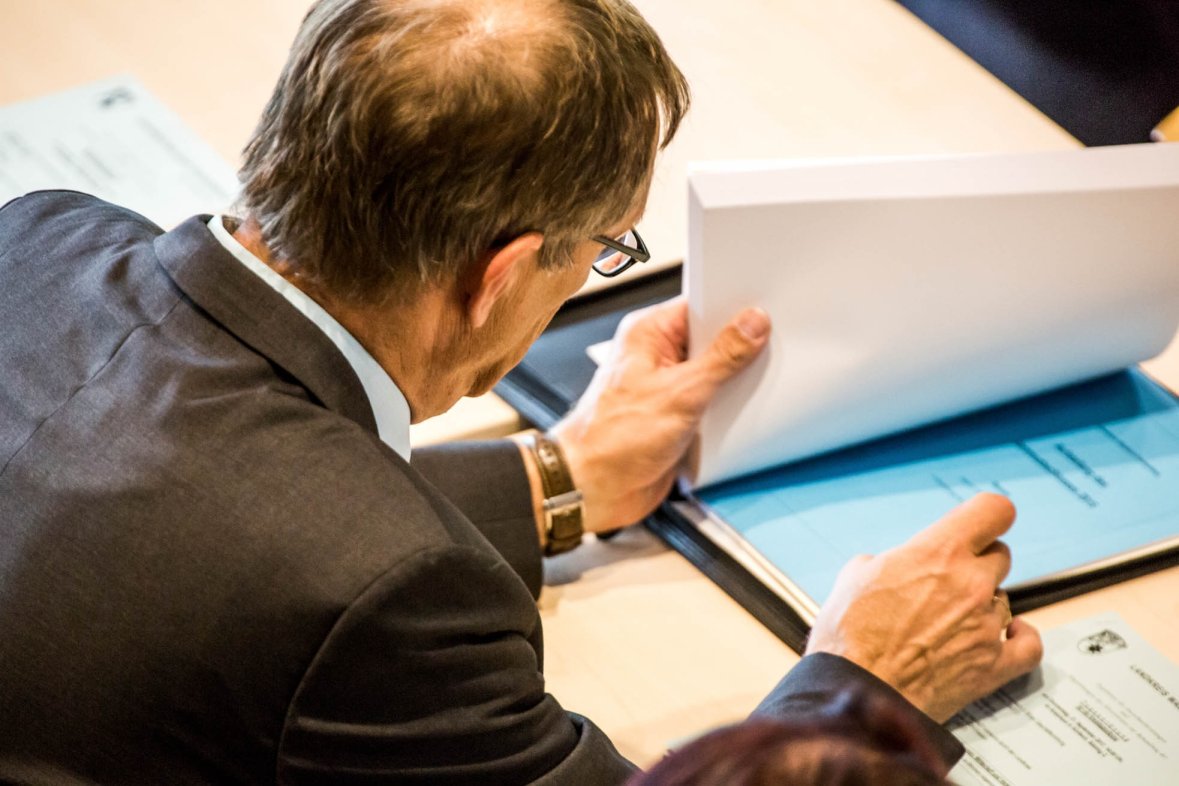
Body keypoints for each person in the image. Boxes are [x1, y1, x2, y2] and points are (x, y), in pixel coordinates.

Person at [0, 0, 1041, 783]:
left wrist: (560, 475)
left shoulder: (38, 237)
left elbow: (180, 497)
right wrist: (865, 692)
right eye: (603, 248)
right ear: (499, 273)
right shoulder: (396, 596)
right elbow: (326, 574)